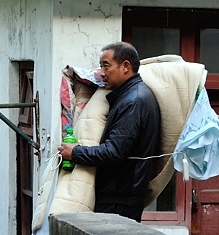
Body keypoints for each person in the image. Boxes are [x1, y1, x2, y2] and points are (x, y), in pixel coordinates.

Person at [58, 41, 160, 222]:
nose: (101, 73)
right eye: (100, 66)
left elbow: (113, 152)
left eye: (106, 66)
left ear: (126, 66)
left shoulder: (133, 102)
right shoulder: (128, 96)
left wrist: (74, 153)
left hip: (119, 200)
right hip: (118, 196)